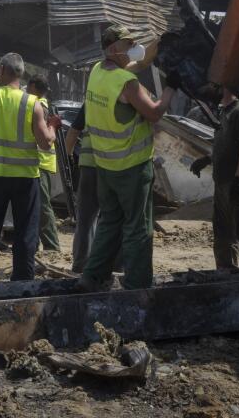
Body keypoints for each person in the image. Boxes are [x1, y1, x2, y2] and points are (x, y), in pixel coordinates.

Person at [79, 26, 179, 291]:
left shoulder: (98, 72)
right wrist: (170, 88)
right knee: (137, 227)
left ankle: (92, 276)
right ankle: (138, 285)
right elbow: (155, 113)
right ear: (114, 49)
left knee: (109, 222)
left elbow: (139, 61)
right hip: (132, 167)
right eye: (128, 44)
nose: (133, 48)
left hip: (106, 166)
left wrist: (159, 41)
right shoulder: (127, 83)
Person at [0, 52, 56, 283]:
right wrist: (52, 128)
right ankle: (23, 282)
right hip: (25, 178)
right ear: (21, 73)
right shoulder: (31, 103)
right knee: (25, 233)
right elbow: (45, 144)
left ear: (1, 70)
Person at [190, 86, 239, 270]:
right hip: (223, 182)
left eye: (215, 85)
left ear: (225, 87)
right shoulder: (224, 112)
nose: (210, 89)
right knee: (223, 232)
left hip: (238, 182)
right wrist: (208, 159)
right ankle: (226, 275)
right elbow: (227, 145)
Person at [60, 104, 101, 272]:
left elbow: (73, 131)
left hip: (89, 165)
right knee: (114, 218)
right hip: (117, 167)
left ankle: (81, 264)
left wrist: (68, 156)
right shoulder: (129, 93)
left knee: (86, 218)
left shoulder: (93, 97)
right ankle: (114, 265)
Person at [25, 75, 62, 254]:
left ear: (33, 86)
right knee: (37, 205)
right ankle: (41, 243)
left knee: (43, 205)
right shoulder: (38, 103)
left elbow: (45, 135)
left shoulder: (40, 105)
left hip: (42, 162)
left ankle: (52, 245)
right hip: (39, 162)